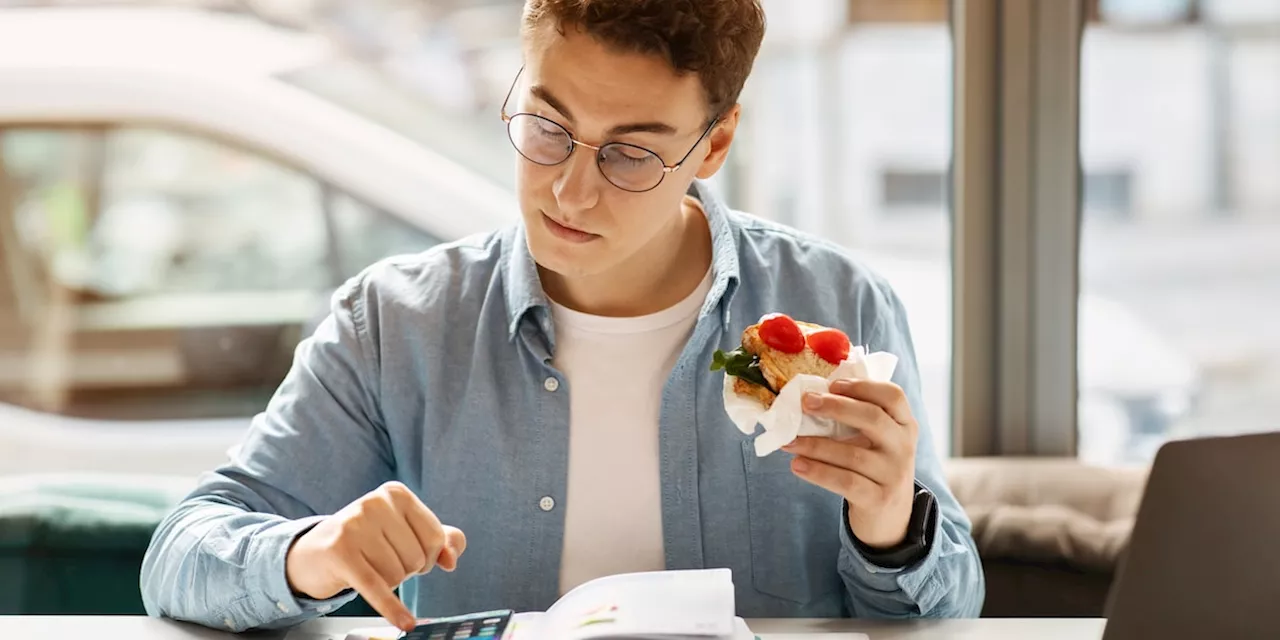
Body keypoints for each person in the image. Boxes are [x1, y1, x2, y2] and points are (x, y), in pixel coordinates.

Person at [139, 0, 984, 632]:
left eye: (631, 154)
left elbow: (954, 604)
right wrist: (310, 555)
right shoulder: (397, 324)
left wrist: (891, 529)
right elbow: (181, 554)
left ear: (716, 145)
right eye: (548, 127)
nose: (570, 191)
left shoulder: (838, 305)